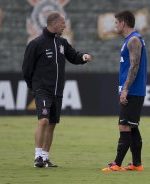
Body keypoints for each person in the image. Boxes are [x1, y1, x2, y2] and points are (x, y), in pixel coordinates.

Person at [22, 11, 91, 168]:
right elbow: (26, 69)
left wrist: (83, 57)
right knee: (43, 120)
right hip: (42, 90)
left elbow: (73, 56)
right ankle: (38, 156)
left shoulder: (62, 43)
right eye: (62, 23)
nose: (65, 25)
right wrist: (34, 87)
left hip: (57, 91)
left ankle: (45, 158)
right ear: (53, 23)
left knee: (52, 123)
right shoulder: (36, 44)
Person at [102, 11, 147, 172]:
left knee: (124, 126)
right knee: (132, 126)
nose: (115, 25)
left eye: (116, 22)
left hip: (133, 91)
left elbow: (134, 66)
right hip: (133, 90)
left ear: (123, 23)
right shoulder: (131, 39)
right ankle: (136, 164)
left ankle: (117, 164)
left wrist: (126, 89)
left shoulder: (134, 40)